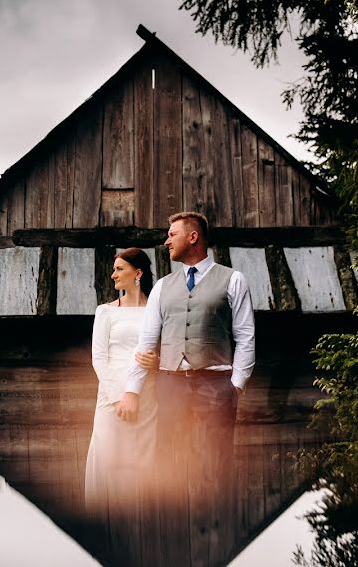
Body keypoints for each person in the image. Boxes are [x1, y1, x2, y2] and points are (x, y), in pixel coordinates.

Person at [117, 212, 255, 510]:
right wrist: (132, 389)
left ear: (193, 237)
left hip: (217, 384)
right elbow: (146, 342)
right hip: (170, 384)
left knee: (216, 462)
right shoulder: (162, 287)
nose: (166, 241)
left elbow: (246, 337)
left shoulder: (233, 280)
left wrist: (236, 386)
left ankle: (217, 527)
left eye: (172, 234)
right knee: (170, 458)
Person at [84, 248, 158, 517]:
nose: (113, 274)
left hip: (148, 397)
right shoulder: (105, 312)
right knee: (108, 459)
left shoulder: (155, 310)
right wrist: (120, 397)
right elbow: (99, 359)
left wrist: (157, 364)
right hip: (111, 399)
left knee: (141, 462)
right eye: (114, 268)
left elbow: (166, 351)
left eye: (119, 269)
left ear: (137, 273)